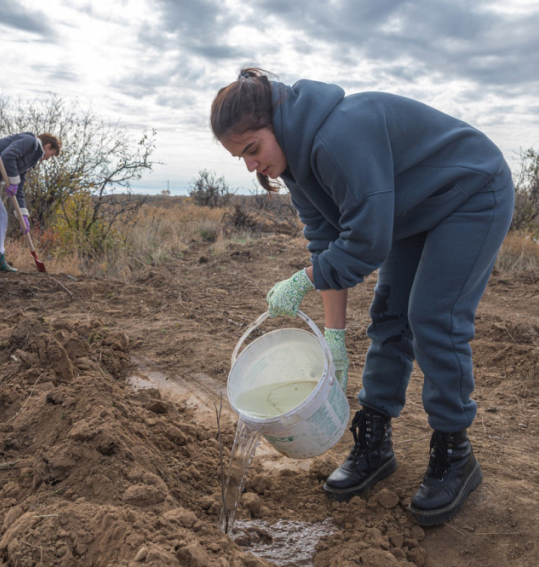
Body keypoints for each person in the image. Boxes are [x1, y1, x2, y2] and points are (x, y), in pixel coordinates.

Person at [211, 68, 514, 526]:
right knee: (390, 316)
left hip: (471, 194)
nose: (252, 165)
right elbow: (327, 244)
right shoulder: (296, 166)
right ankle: (374, 440)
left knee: (433, 317)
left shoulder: (339, 135)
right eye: (242, 158)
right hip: (413, 211)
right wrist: (334, 337)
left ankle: (455, 451)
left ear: (278, 120)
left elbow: (367, 243)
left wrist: (302, 281)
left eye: (253, 148)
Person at [0, 132, 61, 278]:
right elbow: (8, 155)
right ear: (47, 146)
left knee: (0, 215)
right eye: (50, 155)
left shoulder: (29, 159)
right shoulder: (30, 141)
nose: (46, 159)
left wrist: (23, 216)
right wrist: (13, 181)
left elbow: (18, 189)